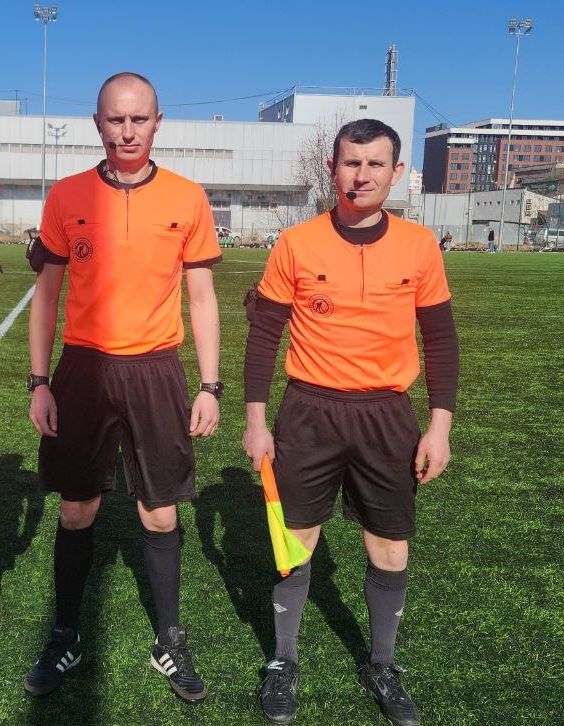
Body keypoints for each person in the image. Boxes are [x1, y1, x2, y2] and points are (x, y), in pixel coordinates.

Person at [243, 119, 458, 726]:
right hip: (309, 411)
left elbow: (441, 341)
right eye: (350, 163)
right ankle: (283, 661)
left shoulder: (419, 246)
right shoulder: (296, 243)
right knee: (295, 541)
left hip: (386, 415)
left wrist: (438, 427)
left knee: (389, 546)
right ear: (333, 169)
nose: (361, 175)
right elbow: (263, 337)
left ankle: (382, 665)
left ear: (396, 172)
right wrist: (256, 420)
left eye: (375, 164)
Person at [24, 71, 222, 704]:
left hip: (156, 369)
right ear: (98, 123)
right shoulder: (67, 195)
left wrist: (210, 385)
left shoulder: (188, 197)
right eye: (116, 119)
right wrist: (39, 382)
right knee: (77, 507)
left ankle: (170, 639)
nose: (128, 131)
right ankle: (65, 634)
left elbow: (201, 297)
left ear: (158, 123)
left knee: (159, 509)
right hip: (83, 369)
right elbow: (45, 296)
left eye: (139, 119)